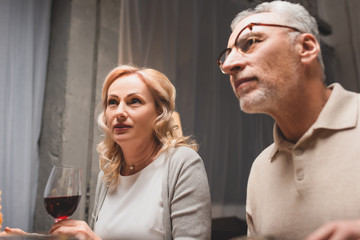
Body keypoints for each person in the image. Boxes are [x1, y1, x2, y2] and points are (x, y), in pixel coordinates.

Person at [1, 65, 211, 239]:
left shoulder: (182, 164)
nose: (119, 112)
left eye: (134, 101)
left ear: (159, 113)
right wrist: (27, 238)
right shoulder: (108, 175)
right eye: (112, 102)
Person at [217, 1, 360, 240]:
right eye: (228, 54)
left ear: (306, 47)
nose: (230, 65)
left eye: (250, 42)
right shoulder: (261, 169)